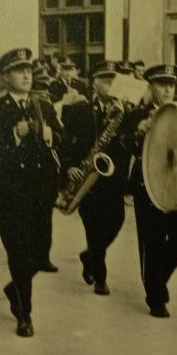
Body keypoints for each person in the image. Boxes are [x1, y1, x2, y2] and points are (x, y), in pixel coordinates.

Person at [0, 47, 64, 337]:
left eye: (28, 69)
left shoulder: (44, 105)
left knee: (40, 255)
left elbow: (61, 137)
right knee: (19, 254)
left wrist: (52, 136)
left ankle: (13, 287)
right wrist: (14, 135)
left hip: (41, 193)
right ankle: (25, 315)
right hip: (10, 195)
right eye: (18, 70)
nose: (26, 75)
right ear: (5, 76)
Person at [109, 63, 177, 317]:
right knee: (153, 240)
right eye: (162, 84)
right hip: (146, 184)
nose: (168, 89)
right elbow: (120, 147)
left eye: (171, 84)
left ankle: (158, 280)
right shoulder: (137, 115)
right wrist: (138, 132)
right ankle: (155, 296)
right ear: (150, 87)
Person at [59, 62, 128, 295]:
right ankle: (101, 277)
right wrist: (69, 167)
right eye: (105, 80)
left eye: (112, 80)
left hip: (112, 179)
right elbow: (66, 142)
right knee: (94, 228)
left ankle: (89, 255)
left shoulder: (124, 113)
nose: (110, 84)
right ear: (94, 83)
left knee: (117, 220)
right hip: (87, 180)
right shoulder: (81, 111)